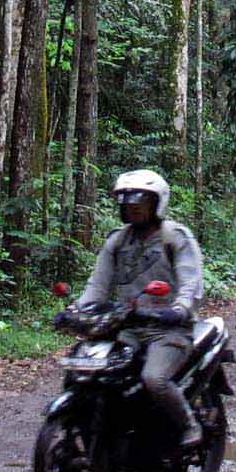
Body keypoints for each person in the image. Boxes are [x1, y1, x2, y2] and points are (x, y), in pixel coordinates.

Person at [73, 168, 205, 454]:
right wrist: (77, 310)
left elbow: (190, 280)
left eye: (140, 202)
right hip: (126, 327)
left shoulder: (175, 237)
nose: (133, 208)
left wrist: (180, 308)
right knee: (90, 370)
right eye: (127, 203)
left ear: (156, 204)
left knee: (153, 379)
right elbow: (98, 284)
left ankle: (188, 424)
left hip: (168, 330)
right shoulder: (118, 240)